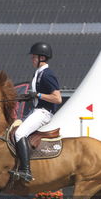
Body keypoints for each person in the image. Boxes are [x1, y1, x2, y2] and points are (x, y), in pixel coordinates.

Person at [11, 42, 62, 182]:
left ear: (42, 58)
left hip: (44, 112)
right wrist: (27, 97)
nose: (31, 59)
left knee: (19, 133)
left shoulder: (47, 74)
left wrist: (38, 95)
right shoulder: (37, 74)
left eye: (33, 57)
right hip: (36, 110)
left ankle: (26, 171)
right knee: (15, 129)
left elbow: (57, 98)